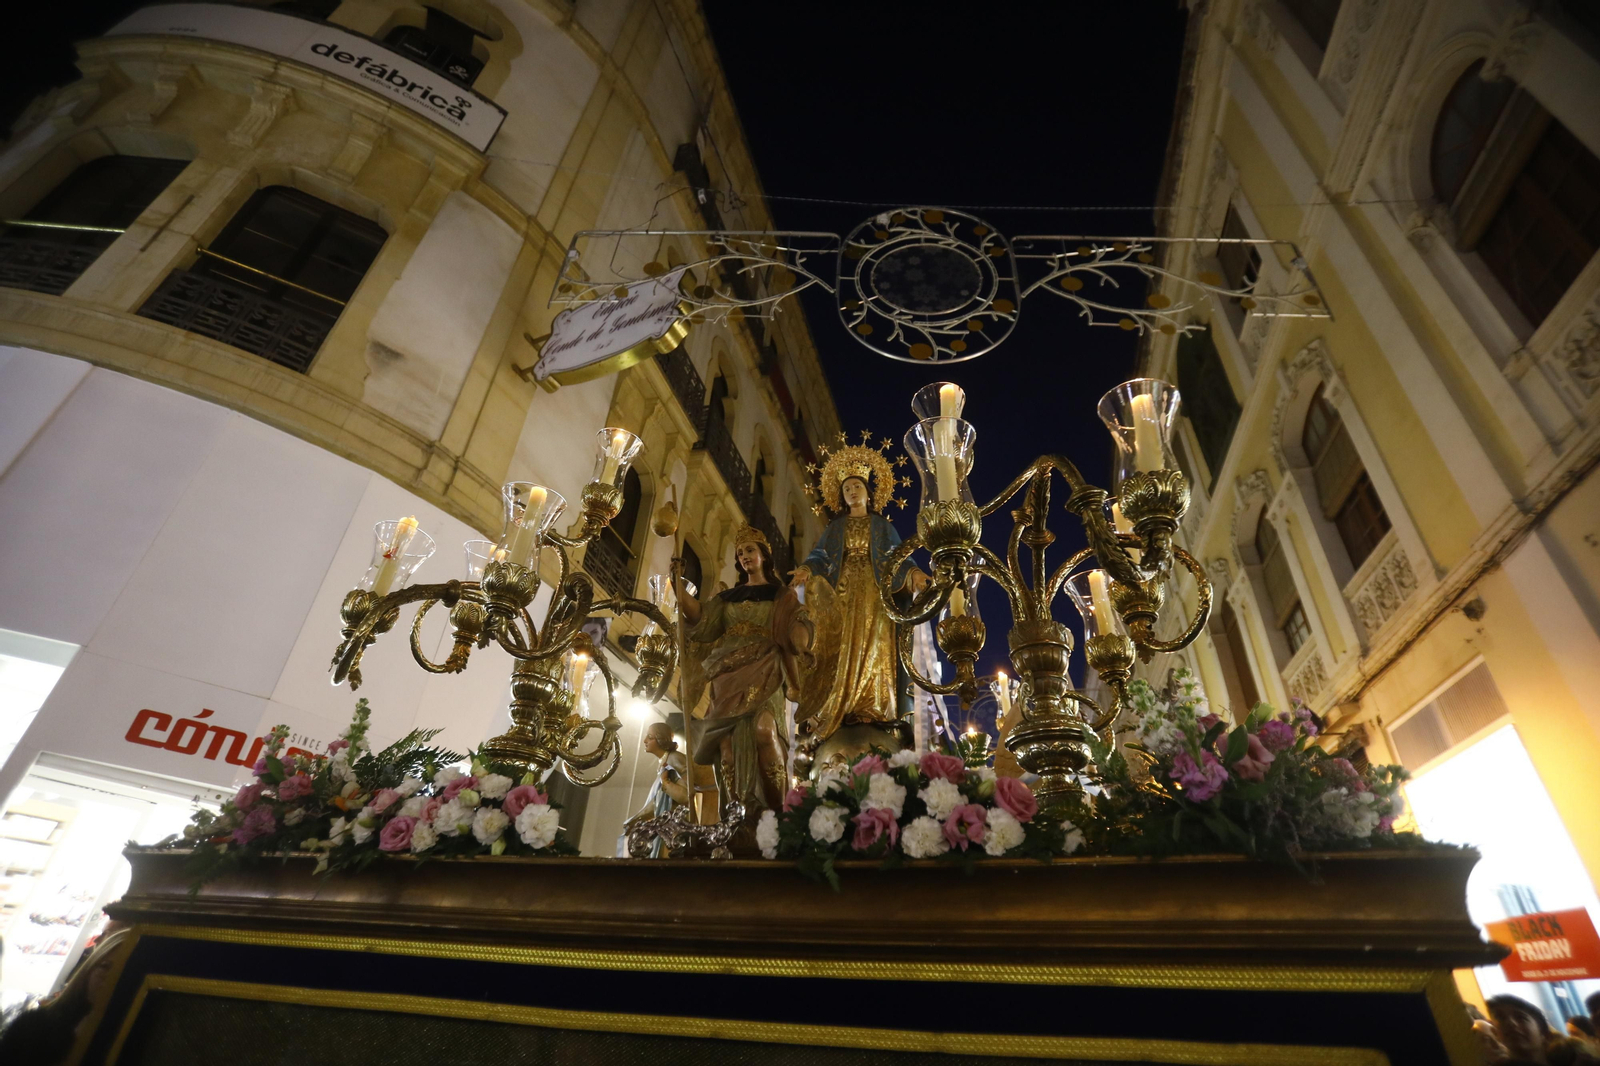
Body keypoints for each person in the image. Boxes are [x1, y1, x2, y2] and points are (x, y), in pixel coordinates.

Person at [790, 442, 927, 766]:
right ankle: (839, 707)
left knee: (876, 648)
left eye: (857, 487)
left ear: (868, 492)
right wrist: (806, 570)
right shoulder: (835, 528)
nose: (852, 492)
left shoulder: (883, 527)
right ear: (842, 496)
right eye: (847, 488)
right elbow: (820, 556)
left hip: (877, 596)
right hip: (841, 596)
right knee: (838, 646)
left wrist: (916, 575)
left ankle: (874, 708)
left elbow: (898, 559)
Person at [679, 525, 812, 827]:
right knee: (727, 749)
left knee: (765, 731)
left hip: (765, 667)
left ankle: (777, 812)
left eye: (750, 550)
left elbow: (798, 622)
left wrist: (802, 639)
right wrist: (677, 585)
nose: (744, 556)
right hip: (727, 673)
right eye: (740, 553)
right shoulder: (728, 598)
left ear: (764, 555)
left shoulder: (781, 595)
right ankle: (736, 816)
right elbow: (700, 619)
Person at [621, 722, 712, 857]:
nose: (645, 740)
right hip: (665, 829)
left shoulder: (675, 759)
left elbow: (687, 795)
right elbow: (655, 803)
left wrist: (665, 782)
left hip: (676, 832)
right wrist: (636, 819)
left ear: (661, 739)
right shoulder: (664, 765)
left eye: (650, 737)